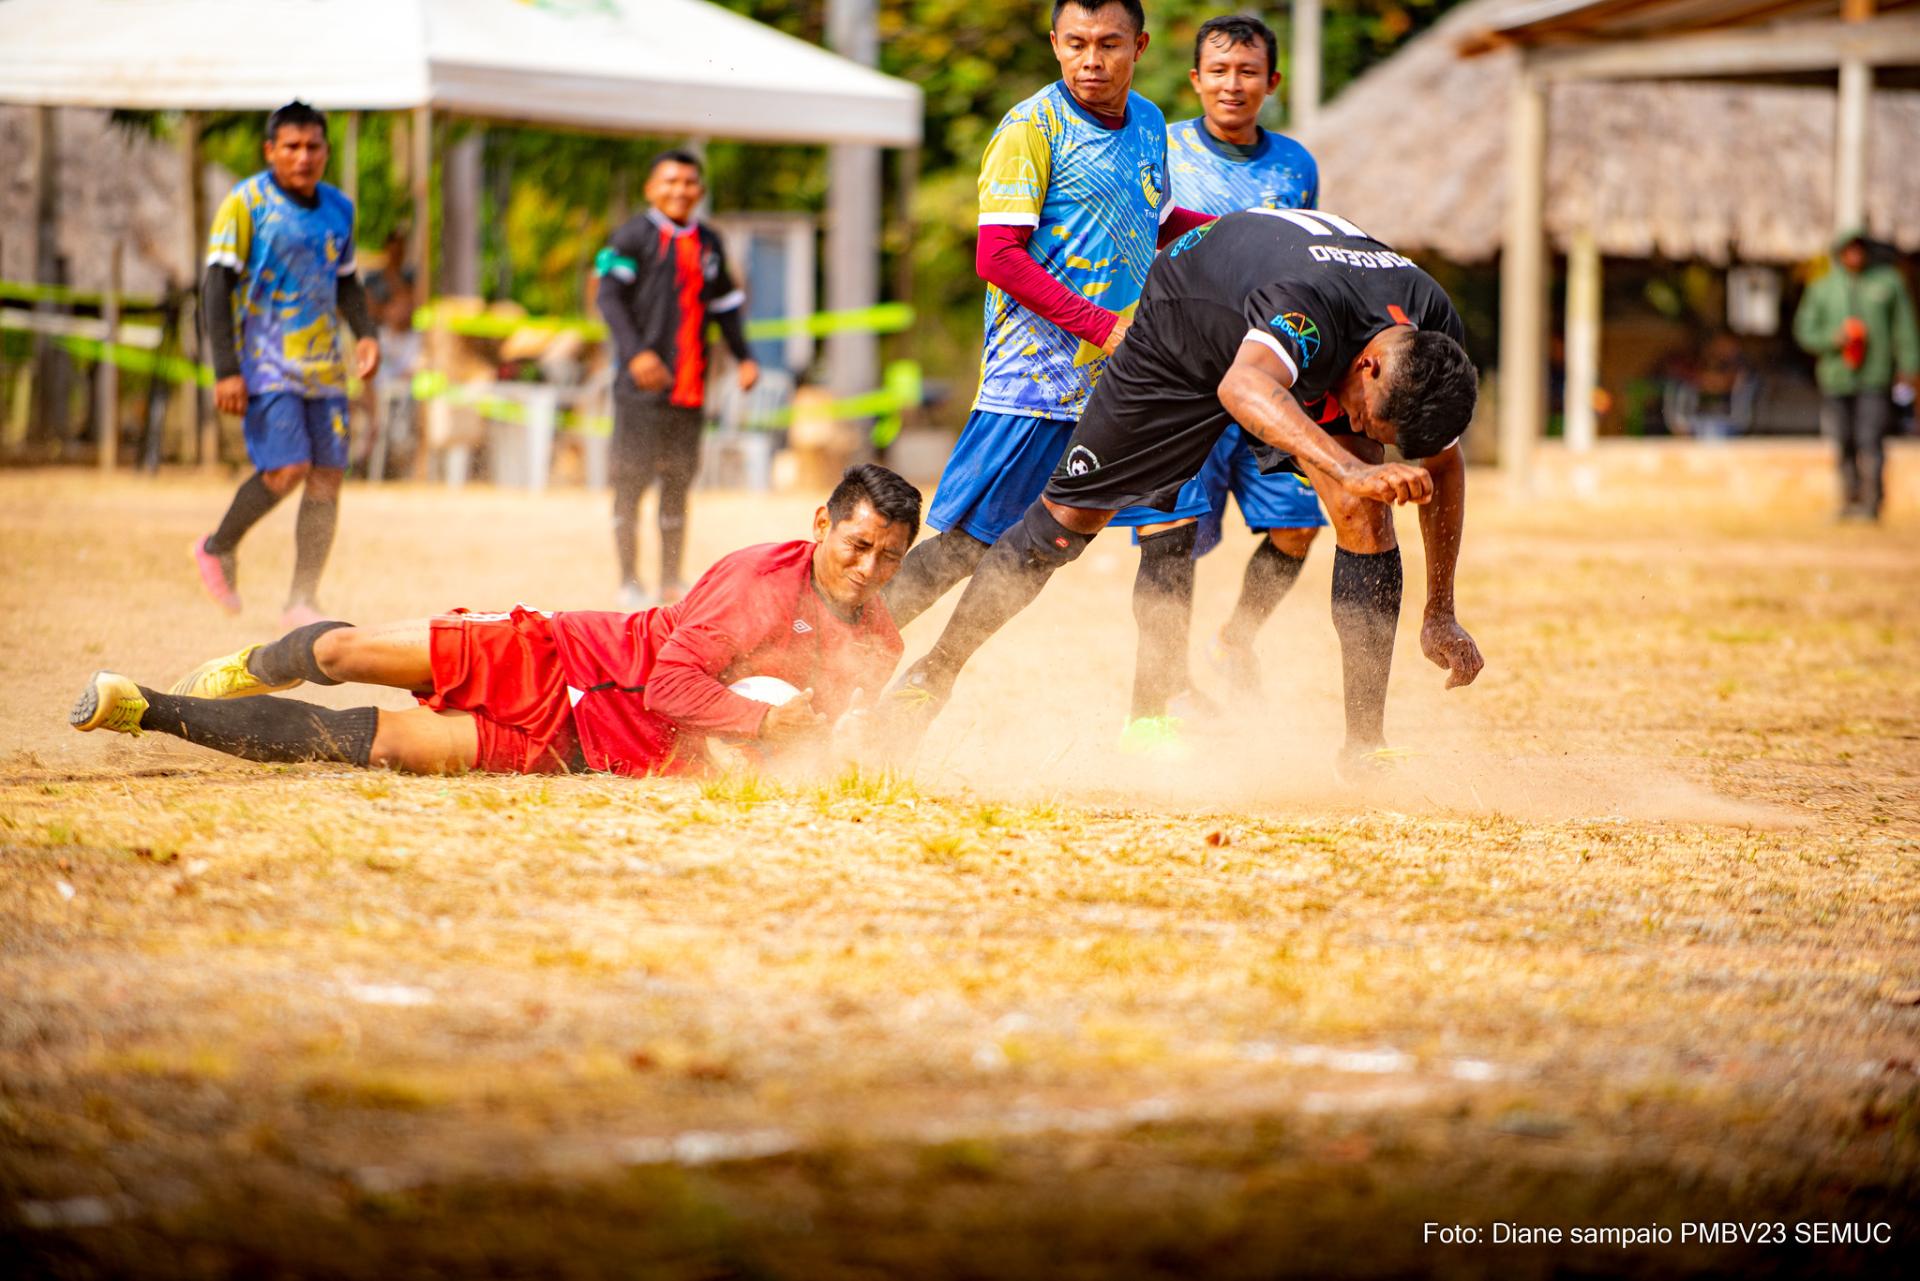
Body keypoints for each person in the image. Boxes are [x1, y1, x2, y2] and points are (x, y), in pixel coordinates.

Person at [881, 209, 1485, 771]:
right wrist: (1351, 467)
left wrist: (1441, 613)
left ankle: (1363, 749)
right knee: (1068, 521)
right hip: (1186, 326)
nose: (1358, 429)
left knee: (1363, 511)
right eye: (1366, 417)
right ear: (1368, 367)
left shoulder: (1432, 335)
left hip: (1294, 340)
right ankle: (932, 676)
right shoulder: (1306, 307)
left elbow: (1444, 466)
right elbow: (1243, 387)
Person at [73, 466, 919, 777]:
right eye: (857, 544)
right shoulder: (755, 582)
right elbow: (669, 684)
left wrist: (832, 745)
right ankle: (260, 657)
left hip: (587, 745)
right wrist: (764, 716)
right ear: (821, 525)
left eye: (888, 557)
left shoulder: (879, 643)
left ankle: (145, 706)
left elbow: (830, 740)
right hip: (553, 653)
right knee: (344, 649)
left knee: (387, 745)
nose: (868, 568)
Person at [878, 0, 1212, 628]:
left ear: (1139, 48)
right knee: (965, 547)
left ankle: (1155, 715)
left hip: (1126, 380)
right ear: (1055, 43)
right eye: (1077, 42)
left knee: (1171, 535)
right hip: (1036, 383)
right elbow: (998, 257)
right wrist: (1102, 327)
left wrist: (1249, 235)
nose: (1092, 59)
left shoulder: (1147, 120)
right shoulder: (1031, 128)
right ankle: (836, 669)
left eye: (1109, 44)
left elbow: (1161, 222)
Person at [1112, 13, 1328, 751]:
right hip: (1181, 376)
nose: (1232, 84)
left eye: (1248, 72)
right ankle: (1151, 707)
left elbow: (1303, 269)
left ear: (1272, 82)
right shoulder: (1160, 150)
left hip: (1271, 376)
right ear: (1197, 78)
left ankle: (1237, 639)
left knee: (1299, 526)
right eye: (1219, 70)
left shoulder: (1297, 165)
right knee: (1166, 539)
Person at [191, 101, 380, 627]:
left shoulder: (339, 208)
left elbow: (346, 281)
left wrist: (366, 334)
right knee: (288, 468)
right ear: (270, 150)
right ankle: (217, 545)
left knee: (327, 476)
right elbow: (215, 285)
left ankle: (302, 598)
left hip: (325, 367)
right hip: (265, 364)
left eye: (313, 146)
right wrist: (226, 368)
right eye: (291, 147)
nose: (303, 157)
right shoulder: (246, 202)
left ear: (326, 151)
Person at [596, 150, 759, 609]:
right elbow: (608, 297)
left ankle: (671, 581)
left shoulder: (709, 242)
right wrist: (637, 354)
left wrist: (745, 357)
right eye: (670, 181)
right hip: (640, 390)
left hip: (689, 390)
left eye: (689, 183)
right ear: (651, 188)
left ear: (700, 192)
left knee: (678, 483)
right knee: (629, 484)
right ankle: (628, 579)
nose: (679, 190)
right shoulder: (631, 236)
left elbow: (725, 307)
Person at [1792, 229, 1919, 522]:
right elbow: (1805, 330)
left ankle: (1872, 502)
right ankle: (1849, 499)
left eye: (1859, 250)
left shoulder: (1888, 283)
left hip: (1874, 376)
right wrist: (1832, 339)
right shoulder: (1823, 288)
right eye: (1849, 250)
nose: (1855, 256)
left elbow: (1905, 329)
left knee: (1870, 437)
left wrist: (1909, 367)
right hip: (1837, 376)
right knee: (1843, 439)